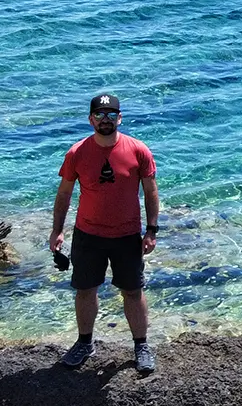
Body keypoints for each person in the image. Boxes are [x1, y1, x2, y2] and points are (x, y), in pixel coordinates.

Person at [48, 93, 160, 373]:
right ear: (90, 120)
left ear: (120, 118)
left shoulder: (138, 150)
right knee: (85, 290)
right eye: (100, 115)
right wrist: (57, 231)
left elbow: (150, 191)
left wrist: (152, 230)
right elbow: (64, 194)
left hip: (127, 236)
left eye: (111, 115)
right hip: (88, 235)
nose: (105, 120)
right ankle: (85, 342)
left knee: (133, 291)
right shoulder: (77, 153)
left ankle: (141, 346)